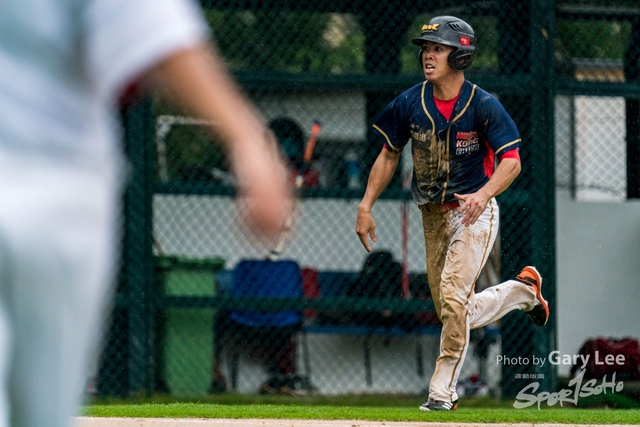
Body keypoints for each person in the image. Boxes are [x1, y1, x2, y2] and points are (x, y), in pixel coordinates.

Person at [0, 0, 292, 426]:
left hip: (58, 189)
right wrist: (247, 140)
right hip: (60, 194)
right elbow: (159, 35)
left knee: (43, 410)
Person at [354, 16, 550, 411]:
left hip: (474, 212)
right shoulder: (410, 102)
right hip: (432, 216)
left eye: (438, 48)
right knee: (452, 308)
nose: (428, 54)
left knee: (453, 298)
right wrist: (365, 205)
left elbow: (512, 163)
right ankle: (523, 292)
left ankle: (441, 393)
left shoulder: (484, 105)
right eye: (426, 48)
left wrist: (484, 193)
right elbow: (389, 153)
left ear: (460, 55)